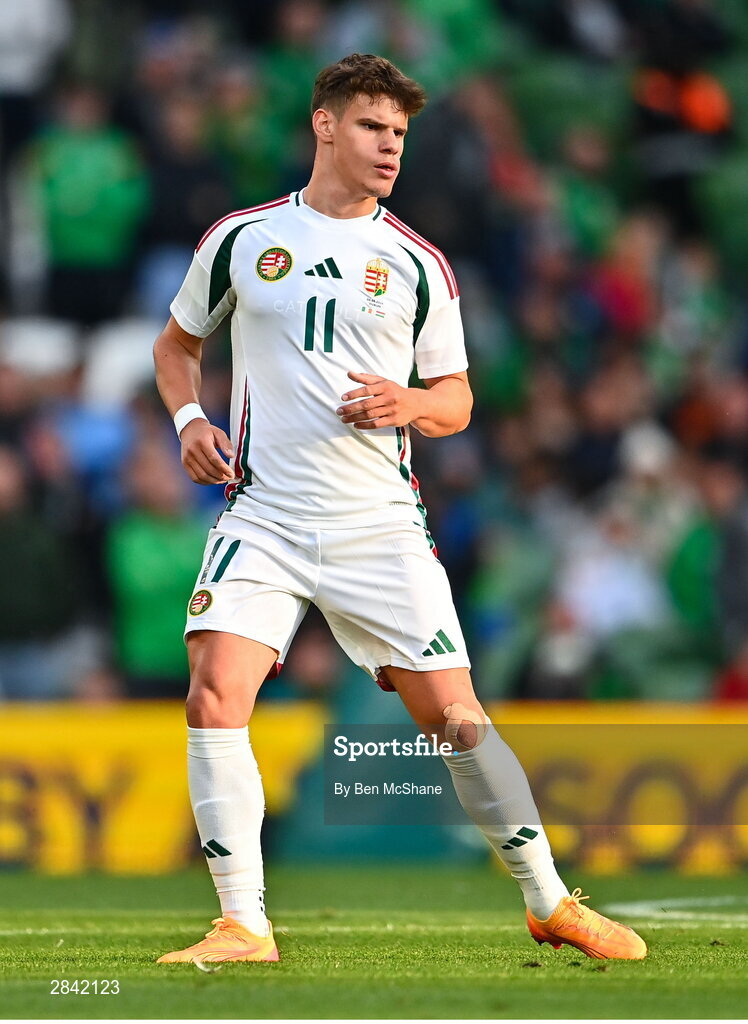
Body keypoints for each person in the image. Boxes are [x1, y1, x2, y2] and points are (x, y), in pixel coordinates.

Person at [153, 53, 646, 964]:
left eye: (401, 134)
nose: (390, 147)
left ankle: (548, 900)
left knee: (457, 721)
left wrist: (409, 402)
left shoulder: (417, 263)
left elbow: (456, 399)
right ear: (325, 124)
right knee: (214, 697)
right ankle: (243, 924)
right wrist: (188, 418)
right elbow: (176, 344)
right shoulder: (240, 238)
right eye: (375, 127)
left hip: (378, 524)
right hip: (262, 514)